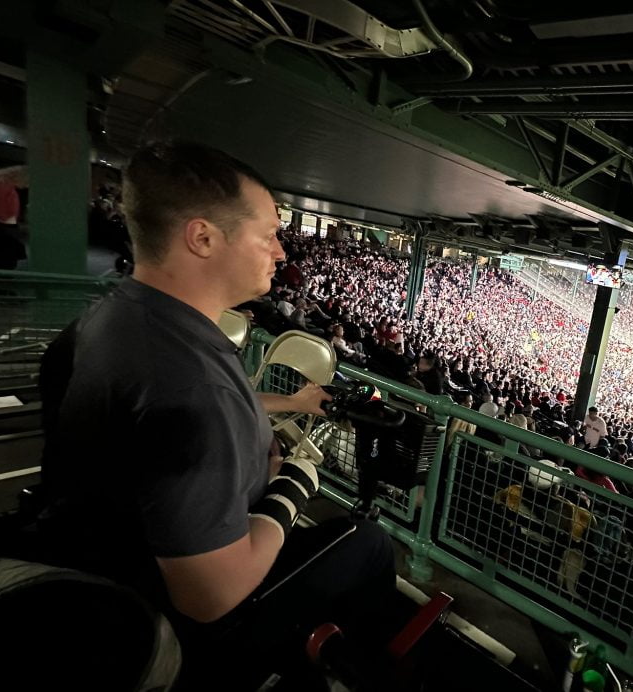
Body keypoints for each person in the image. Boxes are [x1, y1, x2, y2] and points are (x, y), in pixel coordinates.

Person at [39, 142, 396, 682]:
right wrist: (293, 487)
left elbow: (174, 425)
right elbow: (211, 596)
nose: (281, 253)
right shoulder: (195, 389)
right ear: (202, 237)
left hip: (91, 572)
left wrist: (293, 404)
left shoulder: (111, 321)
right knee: (367, 543)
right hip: (176, 630)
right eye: (270, 235)